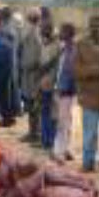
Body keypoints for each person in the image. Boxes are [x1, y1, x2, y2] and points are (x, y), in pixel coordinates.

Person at [74, 13, 99, 172]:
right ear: (88, 26)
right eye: (94, 25)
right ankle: (88, 163)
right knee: (89, 134)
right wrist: (97, 70)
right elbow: (76, 71)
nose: (97, 28)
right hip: (89, 98)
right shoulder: (81, 44)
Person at [52, 23, 77, 164]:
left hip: (66, 91)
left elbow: (71, 73)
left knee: (63, 122)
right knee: (67, 120)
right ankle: (66, 149)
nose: (59, 33)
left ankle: (59, 152)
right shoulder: (64, 48)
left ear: (68, 33)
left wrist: (61, 89)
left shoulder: (72, 50)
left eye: (62, 31)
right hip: (63, 89)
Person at [20, 8, 42, 144]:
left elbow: (40, 54)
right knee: (29, 103)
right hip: (28, 73)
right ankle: (32, 132)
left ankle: (35, 133)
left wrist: (32, 66)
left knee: (34, 105)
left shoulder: (37, 33)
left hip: (34, 74)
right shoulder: (29, 31)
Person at [0, 7, 17, 127]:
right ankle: (8, 116)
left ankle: (7, 118)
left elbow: (5, 44)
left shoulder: (5, 28)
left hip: (4, 64)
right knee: (7, 91)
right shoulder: (8, 26)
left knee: (3, 92)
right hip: (7, 63)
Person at [39, 23, 60, 151]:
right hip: (44, 83)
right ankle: (45, 140)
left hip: (53, 84)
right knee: (45, 112)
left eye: (45, 29)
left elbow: (53, 67)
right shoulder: (45, 44)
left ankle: (51, 140)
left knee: (53, 114)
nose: (43, 31)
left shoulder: (57, 46)